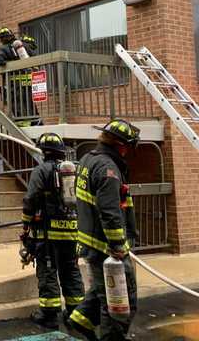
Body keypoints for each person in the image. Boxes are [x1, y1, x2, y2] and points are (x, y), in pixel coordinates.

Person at [67, 119, 140, 341]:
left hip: (92, 243)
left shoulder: (88, 159)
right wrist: (118, 245)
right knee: (120, 299)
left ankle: (79, 321)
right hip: (106, 248)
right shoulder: (108, 169)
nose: (128, 152)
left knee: (101, 292)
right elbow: (110, 211)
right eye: (128, 147)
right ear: (121, 145)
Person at [22, 133, 84, 329]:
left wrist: (26, 224)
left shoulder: (41, 170)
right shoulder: (75, 171)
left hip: (48, 234)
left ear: (43, 151)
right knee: (71, 271)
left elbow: (31, 198)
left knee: (48, 271)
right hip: (72, 232)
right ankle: (75, 312)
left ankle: (49, 314)